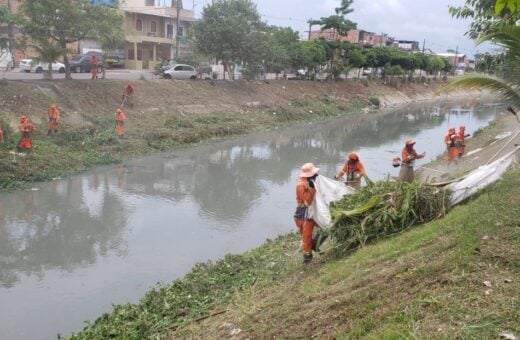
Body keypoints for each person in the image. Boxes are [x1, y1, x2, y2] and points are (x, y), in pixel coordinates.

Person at [294, 163, 320, 264]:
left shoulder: (310, 180)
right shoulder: (301, 185)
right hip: (303, 214)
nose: (316, 175)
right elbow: (308, 201)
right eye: (314, 174)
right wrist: (312, 188)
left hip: (312, 211)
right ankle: (307, 259)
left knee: (325, 226)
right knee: (306, 237)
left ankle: (315, 243)